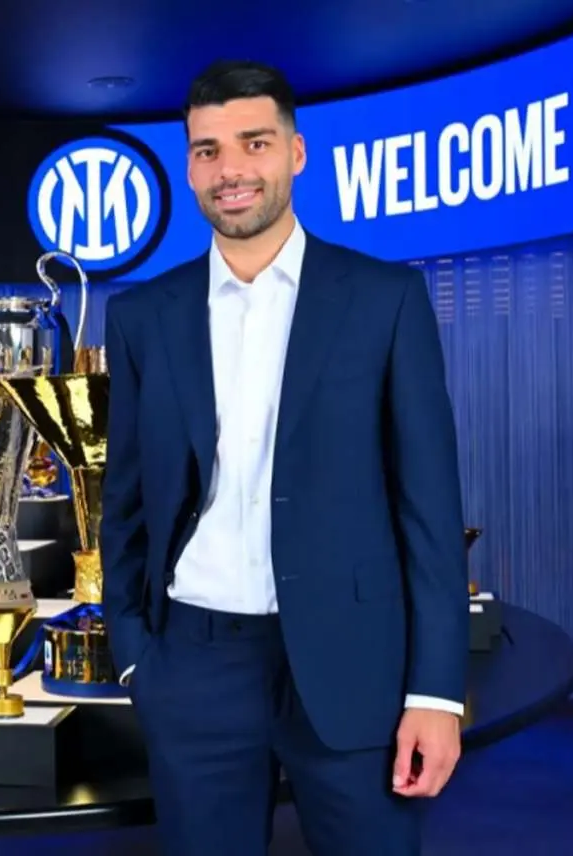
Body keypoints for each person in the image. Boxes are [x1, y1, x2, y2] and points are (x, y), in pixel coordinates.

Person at [100, 60, 468, 856]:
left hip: (354, 660)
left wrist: (437, 692)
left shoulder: (385, 298)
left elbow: (431, 512)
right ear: (189, 166)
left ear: (296, 153)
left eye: (254, 143)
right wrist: (134, 658)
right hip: (192, 668)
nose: (230, 169)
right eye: (207, 150)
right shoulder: (141, 317)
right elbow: (124, 502)